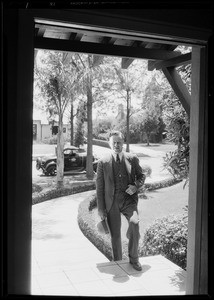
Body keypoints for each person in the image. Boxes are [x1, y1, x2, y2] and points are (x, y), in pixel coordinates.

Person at [96, 131, 146, 271]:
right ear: (110, 144)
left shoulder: (132, 158)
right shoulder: (103, 162)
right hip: (111, 203)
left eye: (119, 142)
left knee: (134, 225)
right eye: (114, 143)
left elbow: (141, 176)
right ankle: (117, 261)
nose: (117, 145)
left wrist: (135, 186)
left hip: (129, 201)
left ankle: (134, 259)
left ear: (123, 143)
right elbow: (99, 188)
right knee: (115, 235)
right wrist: (101, 209)